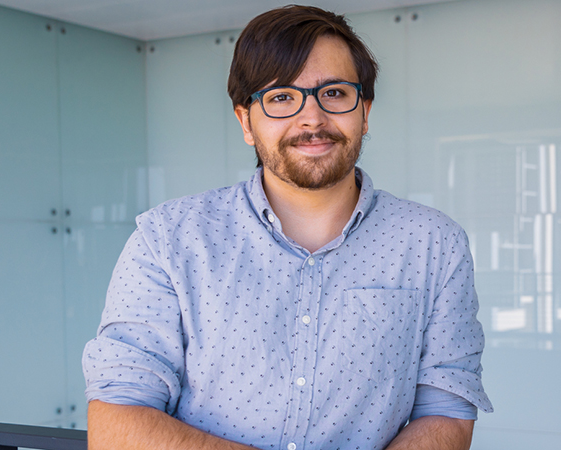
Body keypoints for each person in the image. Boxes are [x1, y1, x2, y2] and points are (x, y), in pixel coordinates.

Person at [83, 5, 492, 450]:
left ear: (365, 112)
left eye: (334, 93)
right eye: (281, 97)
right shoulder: (167, 239)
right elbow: (116, 420)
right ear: (246, 121)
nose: (311, 118)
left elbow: (446, 410)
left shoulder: (434, 243)